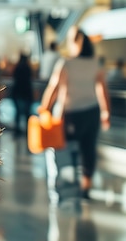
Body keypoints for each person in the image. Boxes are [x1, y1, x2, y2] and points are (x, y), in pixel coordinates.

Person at [39, 26, 110, 199]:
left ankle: (67, 186)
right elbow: (102, 89)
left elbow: (54, 87)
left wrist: (44, 108)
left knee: (65, 150)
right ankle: (86, 188)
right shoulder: (95, 63)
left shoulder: (66, 63)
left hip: (70, 115)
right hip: (92, 112)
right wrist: (105, 112)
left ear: (74, 44)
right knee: (88, 150)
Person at [10, 52, 34, 136]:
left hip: (17, 92)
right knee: (27, 113)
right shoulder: (28, 68)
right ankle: (28, 131)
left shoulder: (17, 68)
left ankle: (17, 130)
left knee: (18, 113)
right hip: (26, 92)